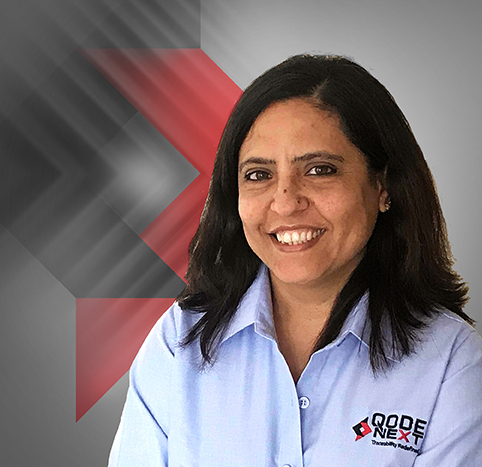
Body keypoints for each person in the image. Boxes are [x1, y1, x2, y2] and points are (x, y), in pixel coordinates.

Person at [108, 55, 482, 466]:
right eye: (258, 175)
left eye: (320, 170)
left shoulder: (452, 360)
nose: (285, 203)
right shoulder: (180, 342)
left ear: (383, 186)